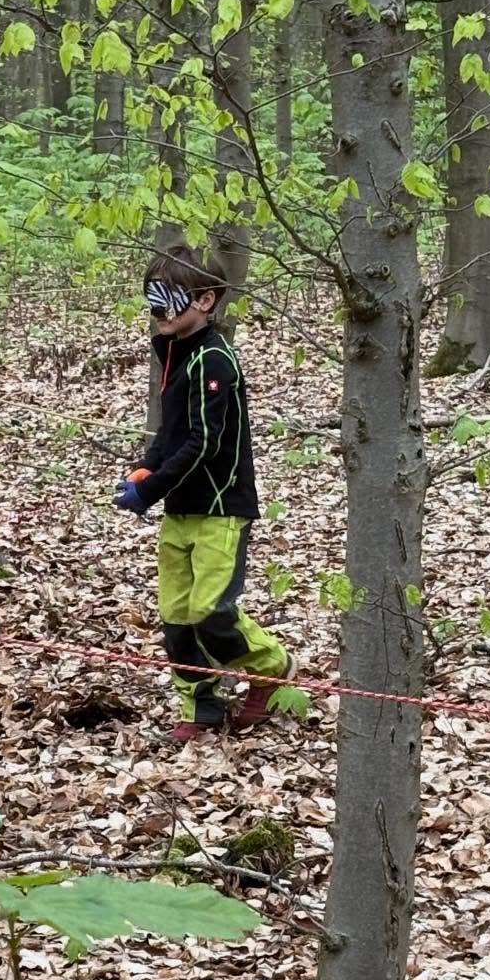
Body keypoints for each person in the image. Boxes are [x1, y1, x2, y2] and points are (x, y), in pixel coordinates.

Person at [114, 246, 297, 741]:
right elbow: (171, 433)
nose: (157, 312)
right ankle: (201, 708)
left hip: (220, 506)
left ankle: (270, 664)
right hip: (180, 508)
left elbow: (205, 440)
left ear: (205, 300)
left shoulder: (214, 358)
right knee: (176, 615)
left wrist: (150, 488)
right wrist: (144, 469)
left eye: (167, 300)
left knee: (210, 611)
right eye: (150, 301)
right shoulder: (175, 352)